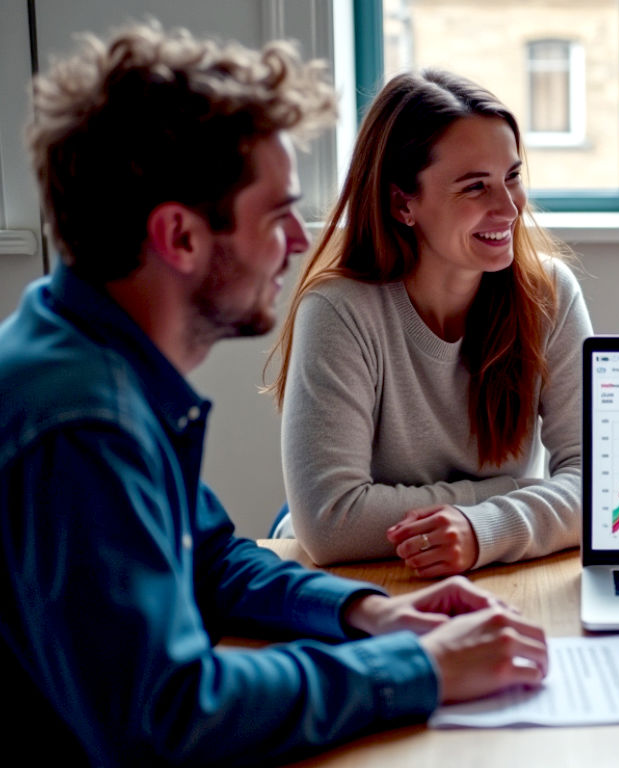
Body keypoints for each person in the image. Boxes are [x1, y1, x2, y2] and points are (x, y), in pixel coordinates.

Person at [0, 23, 549, 765]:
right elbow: (165, 714)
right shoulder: (82, 424)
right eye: (276, 213)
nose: (298, 240)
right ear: (181, 237)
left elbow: (214, 561)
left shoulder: (89, 356)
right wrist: (420, 670)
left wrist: (374, 613)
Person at [267, 70, 591, 576]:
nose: (509, 207)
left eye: (512, 176)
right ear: (403, 203)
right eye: (474, 186)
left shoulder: (548, 294)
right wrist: (510, 495)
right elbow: (331, 523)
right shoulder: (339, 310)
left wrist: (483, 529)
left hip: (490, 565)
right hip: (352, 573)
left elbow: (601, 484)